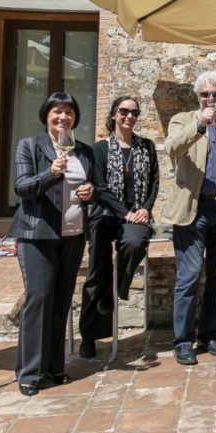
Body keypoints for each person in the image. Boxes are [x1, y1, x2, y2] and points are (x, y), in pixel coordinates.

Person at [8, 91, 97, 397]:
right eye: (57, 112)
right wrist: (51, 172)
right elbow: (22, 188)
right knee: (39, 298)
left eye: (69, 113)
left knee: (61, 300)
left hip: (72, 235)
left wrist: (90, 192)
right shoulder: (29, 146)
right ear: (46, 115)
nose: (63, 117)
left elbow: (93, 189)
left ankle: (55, 365)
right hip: (36, 235)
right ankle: (30, 372)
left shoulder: (83, 152)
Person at [161, 70, 216, 365]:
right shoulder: (183, 120)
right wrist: (199, 124)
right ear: (197, 97)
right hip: (193, 210)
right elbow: (171, 148)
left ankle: (208, 334)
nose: (210, 99)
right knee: (187, 277)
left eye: (215, 94)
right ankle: (183, 340)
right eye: (204, 94)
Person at [78, 95, 158, 360]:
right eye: (124, 111)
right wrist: (126, 213)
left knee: (135, 243)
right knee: (95, 273)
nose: (129, 116)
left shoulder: (146, 147)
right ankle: (89, 337)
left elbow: (154, 182)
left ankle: (116, 290)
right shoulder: (98, 149)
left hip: (138, 216)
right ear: (113, 114)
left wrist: (145, 208)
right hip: (106, 216)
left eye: (134, 112)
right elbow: (99, 188)